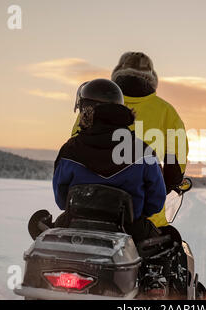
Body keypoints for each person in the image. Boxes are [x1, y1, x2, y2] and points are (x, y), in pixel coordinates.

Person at [71, 52, 189, 228]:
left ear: (117, 74)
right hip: (144, 217)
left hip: (87, 209)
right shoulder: (166, 112)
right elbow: (176, 163)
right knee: (171, 248)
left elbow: (75, 146)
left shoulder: (95, 104)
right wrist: (169, 183)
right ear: (152, 78)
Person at [53, 79, 166, 243]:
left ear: (85, 110)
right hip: (131, 230)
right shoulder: (143, 152)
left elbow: (61, 199)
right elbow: (156, 201)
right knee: (169, 248)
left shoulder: (70, 150)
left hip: (75, 226)